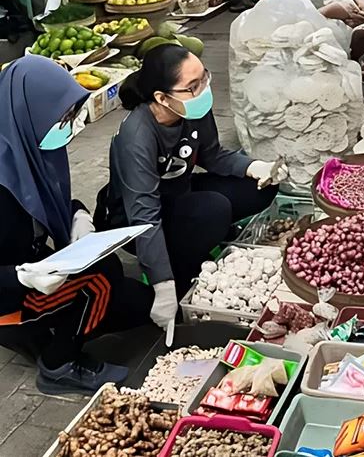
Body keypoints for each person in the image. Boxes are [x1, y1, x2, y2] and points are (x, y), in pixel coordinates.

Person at [96, 44, 286, 335]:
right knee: (213, 210)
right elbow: (144, 217)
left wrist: (255, 167)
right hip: (132, 219)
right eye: (193, 86)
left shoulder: (192, 109)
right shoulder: (137, 136)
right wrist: (163, 284)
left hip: (177, 193)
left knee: (259, 188)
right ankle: (182, 265)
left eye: (204, 78)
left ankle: (198, 233)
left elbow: (213, 155)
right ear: (161, 97)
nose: (204, 90)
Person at [0, 56, 154, 395]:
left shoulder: (31, 146)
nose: (67, 127)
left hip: (41, 272)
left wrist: (78, 216)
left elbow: (50, 200)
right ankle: (58, 366)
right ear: (32, 112)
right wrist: (22, 276)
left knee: (139, 303)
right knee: (99, 282)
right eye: (61, 118)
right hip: (7, 298)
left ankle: (55, 328)